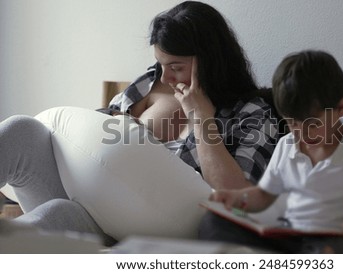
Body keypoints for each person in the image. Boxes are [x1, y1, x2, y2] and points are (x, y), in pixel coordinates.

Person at [0, 1, 280, 245]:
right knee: (21, 130)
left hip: (141, 229)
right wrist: (112, 121)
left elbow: (239, 199)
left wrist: (202, 120)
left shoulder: (251, 113)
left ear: (210, 62)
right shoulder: (149, 83)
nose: (166, 78)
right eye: (161, 64)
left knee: (57, 216)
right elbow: (87, 140)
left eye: (177, 67)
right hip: (88, 196)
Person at [200, 50, 343, 253]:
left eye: (313, 124)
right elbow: (264, 195)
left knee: (329, 252)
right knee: (213, 222)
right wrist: (235, 199)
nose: (302, 133)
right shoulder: (286, 145)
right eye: (292, 123)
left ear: (341, 108)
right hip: (290, 237)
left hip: (338, 241)